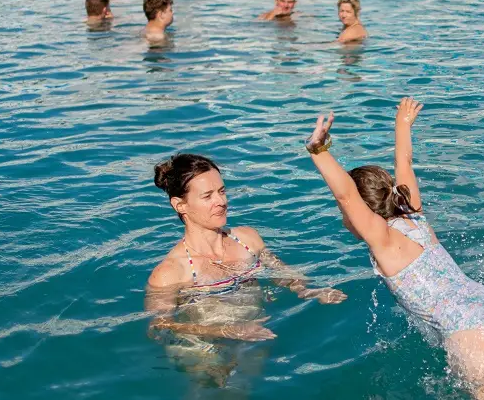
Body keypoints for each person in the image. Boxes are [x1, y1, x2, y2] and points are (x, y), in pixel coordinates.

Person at [303, 99, 484, 399]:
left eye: (343, 213)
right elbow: (404, 164)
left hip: (467, 329)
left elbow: (347, 196)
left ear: (364, 212)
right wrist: (402, 123)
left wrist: (318, 151)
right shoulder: (413, 214)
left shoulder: (383, 240)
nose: (343, 218)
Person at [145, 154, 346, 384]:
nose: (220, 202)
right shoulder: (170, 272)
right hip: (204, 346)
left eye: (221, 191)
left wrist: (308, 291)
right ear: (180, 205)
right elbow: (160, 326)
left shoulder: (248, 240)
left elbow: (284, 274)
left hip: (255, 334)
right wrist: (227, 331)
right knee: (218, 391)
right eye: (207, 196)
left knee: (244, 388)